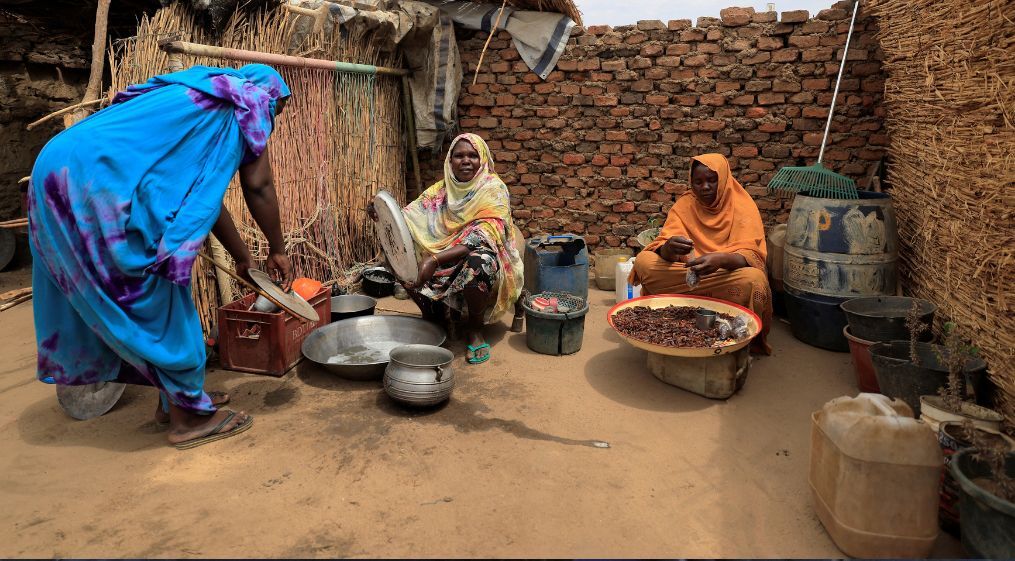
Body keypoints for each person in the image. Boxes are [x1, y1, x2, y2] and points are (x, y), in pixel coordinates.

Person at [28, 64, 294, 449]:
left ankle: (178, 398)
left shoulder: (203, 96)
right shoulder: (248, 101)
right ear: (271, 97)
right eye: (279, 110)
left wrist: (242, 258)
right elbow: (259, 185)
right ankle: (188, 420)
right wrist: (278, 249)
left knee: (155, 293)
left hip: (58, 165)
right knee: (157, 294)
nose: (273, 123)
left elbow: (205, 195)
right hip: (93, 179)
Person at [368, 133, 524, 364]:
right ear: (450, 161)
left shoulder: (493, 188)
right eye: (459, 156)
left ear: (482, 159)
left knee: (480, 264)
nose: (466, 161)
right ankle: (435, 317)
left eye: (472, 155)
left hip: (481, 253)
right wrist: (381, 213)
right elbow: (407, 220)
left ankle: (474, 329)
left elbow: (484, 235)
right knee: (395, 258)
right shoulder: (441, 190)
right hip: (445, 253)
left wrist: (434, 260)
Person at [630, 153, 773, 354]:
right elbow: (664, 247)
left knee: (754, 280)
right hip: (686, 273)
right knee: (644, 261)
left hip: (724, 276)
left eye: (712, 180)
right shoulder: (685, 204)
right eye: (698, 182)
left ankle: (740, 334)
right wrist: (669, 248)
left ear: (723, 179)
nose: (705, 187)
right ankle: (675, 315)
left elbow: (751, 255)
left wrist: (721, 259)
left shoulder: (742, 204)